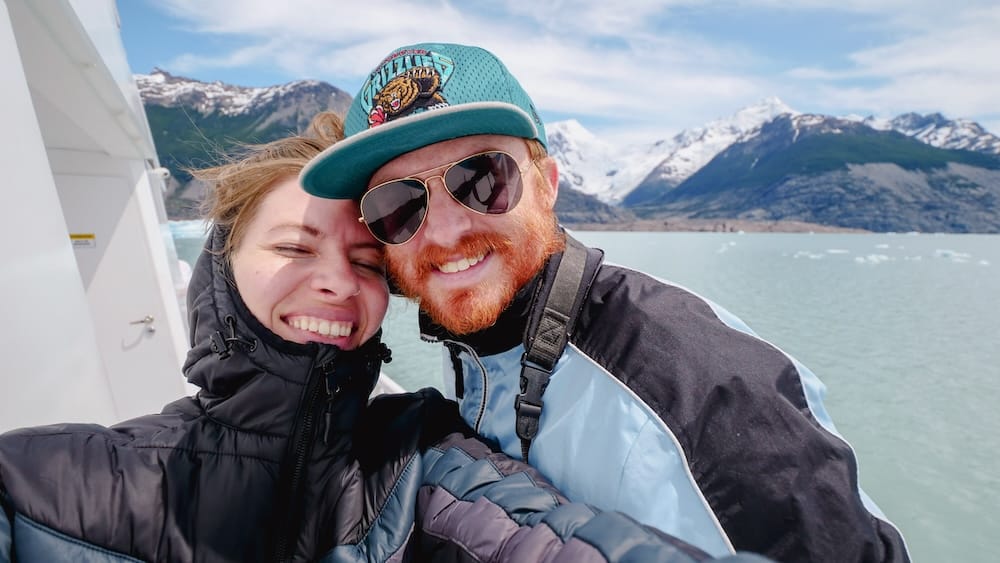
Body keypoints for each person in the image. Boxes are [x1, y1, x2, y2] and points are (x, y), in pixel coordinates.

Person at [0, 113, 762, 563]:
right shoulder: (42, 485)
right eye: (295, 249)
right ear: (221, 267)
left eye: (366, 260)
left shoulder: (418, 464)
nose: (336, 281)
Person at [299, 43, 912, 562]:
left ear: (548, 186)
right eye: (398, 205)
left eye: (482, 178)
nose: (443, 231)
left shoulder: (696, 387)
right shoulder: (482, 341)